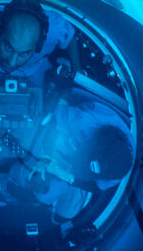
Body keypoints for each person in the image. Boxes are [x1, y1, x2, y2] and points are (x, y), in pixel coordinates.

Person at [30, 93, 134, 226]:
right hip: (68, 134)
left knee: (49, 203)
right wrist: (45, 154)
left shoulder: (117, 171)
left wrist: (70, 178)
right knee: (41, 194)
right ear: (92, 141)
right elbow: (54, 115)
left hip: (73, 165)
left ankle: (64, 194)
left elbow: (96, 186)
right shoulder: (83, 121)